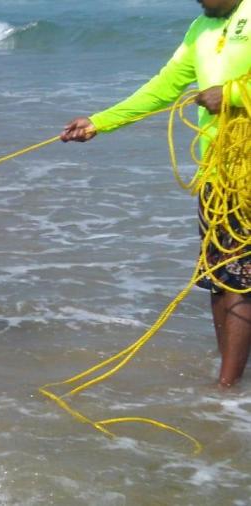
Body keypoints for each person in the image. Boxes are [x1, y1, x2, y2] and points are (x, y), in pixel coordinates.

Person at [60, 0, 251, 387]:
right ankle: (229, 380)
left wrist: (230, 94)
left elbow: (228, 93)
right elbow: (164, 87)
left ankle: (225, 390)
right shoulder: (201, 27)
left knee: (239, 280)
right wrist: (100, 122)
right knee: (217, 276)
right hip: (217, 172)